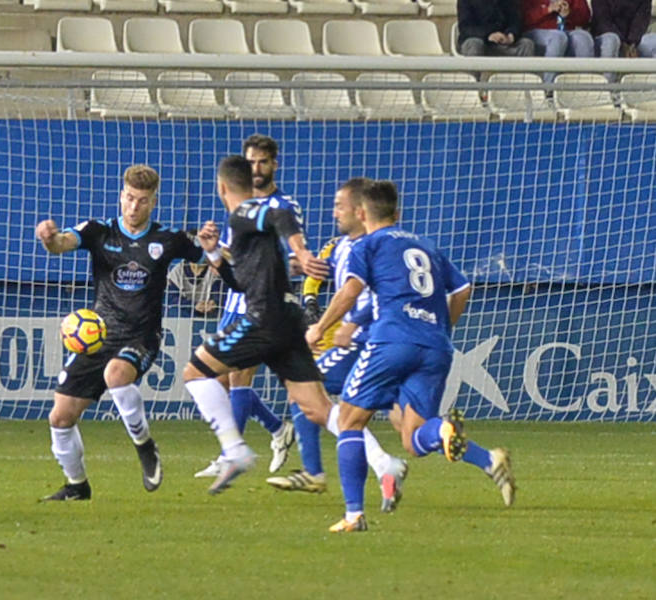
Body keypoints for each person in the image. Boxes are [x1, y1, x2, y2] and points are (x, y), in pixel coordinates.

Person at [306, 180, 516, 533]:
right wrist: (442, 329)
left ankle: (353, 514)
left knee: (349, 421)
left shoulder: (367, 245)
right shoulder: (426, 245)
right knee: (413, 438)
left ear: (361, 213)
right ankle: (453, 437)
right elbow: (463, 289)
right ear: (397, 213)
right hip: (435, 346)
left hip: (390, 342)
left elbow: (350, 290)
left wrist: (319, 326)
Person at [34, 164, 204, 501]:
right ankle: (77, 486)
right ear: (120, 195)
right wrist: (49, 239)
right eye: (129, 198)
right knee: (60, 416)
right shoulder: (100, 231)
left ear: (154, 202)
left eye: (142, 201)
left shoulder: (166, 239)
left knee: (116, 374)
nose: (133, 206)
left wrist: (214, 249)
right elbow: (63, 243)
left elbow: (209, 256)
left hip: (141, 336)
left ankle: (145, 446)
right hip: (98, 336)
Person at [184, 154, 333, 495]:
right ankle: (384, 462)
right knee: (316, 406)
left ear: (222, 187)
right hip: (287, 319)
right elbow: (240, 283)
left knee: (195, 372)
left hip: (263, 319)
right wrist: (213, 255)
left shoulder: (242, 214)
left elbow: (279, 214)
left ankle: (234, 451)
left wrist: (303, 252)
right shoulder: (248, 227)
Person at [267, 178, 409, 515]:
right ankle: (482, 458)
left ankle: (325, 473)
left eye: (340, 207)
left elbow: (367, 294)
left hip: (369, 341)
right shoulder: (342, 245)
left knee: (307, 389)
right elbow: (321, 271)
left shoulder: (377, 247)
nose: (334, 213)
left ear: (361, 212)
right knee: (396, 420)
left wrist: (344, 324)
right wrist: (302, 271)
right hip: (367, 341)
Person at [193, 134, 301, 479]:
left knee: (239, 378)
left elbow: (284, 257)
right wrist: (211, 249)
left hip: (265, 303)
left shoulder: (284, 206)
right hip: (235, 300)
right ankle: (277, 429)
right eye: (251, 162)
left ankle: (230, 456)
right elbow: (232, 257)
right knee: (222, 381)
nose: (256, 168)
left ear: (274, 165)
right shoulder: (238, 208)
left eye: (263, 162)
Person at [522, 0, 595, 83]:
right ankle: (547, 88)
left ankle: (584, 89)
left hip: (565, 31)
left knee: (583, 38)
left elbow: (585, 18)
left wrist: (569, 13)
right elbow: (523, 18)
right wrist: (547, 9)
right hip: (536, 32)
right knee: (558, 38)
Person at [458, 0, 536, 58]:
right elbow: (465, 28)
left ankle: (522, 79)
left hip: (503, 43)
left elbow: (515, 21)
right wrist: (489, 35)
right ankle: (473, 79)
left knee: (527, 44)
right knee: (474, 44)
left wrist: (510, 36)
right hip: (481, 41)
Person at [591, 0, 652, 64]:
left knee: (653, 42)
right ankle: (607, 73)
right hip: (604, 39)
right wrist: (623, 44)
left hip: (633, 42)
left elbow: (641, 21)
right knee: (611, 41)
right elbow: (603, 22)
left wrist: (632, 44)